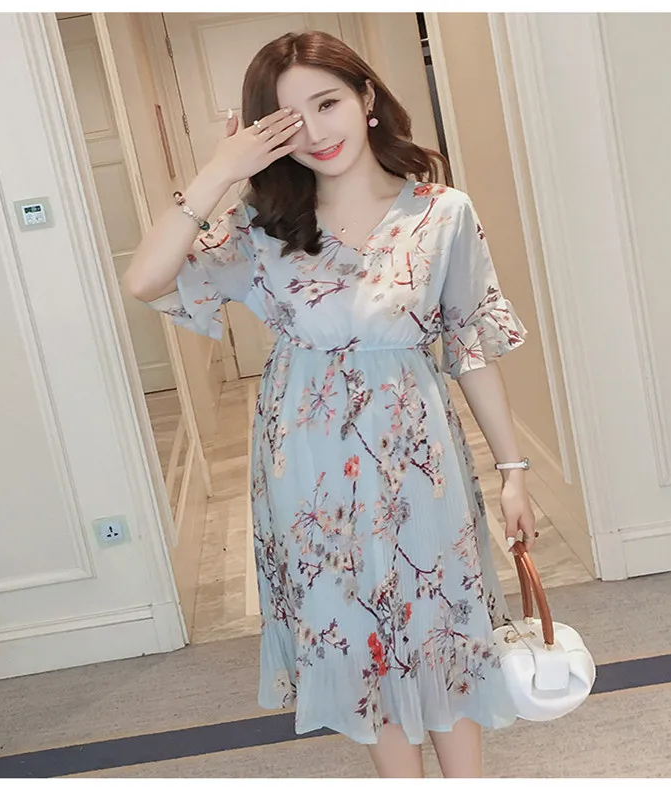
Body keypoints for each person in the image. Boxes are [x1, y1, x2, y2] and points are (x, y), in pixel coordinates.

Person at [125, 30, 537, 779]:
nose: (316, 132)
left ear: (366, 97)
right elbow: (145, 279)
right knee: (357, 636)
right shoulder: (262, 227)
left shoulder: (441, 213)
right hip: (308, 473)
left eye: (328, 103)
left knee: (440, 625)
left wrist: (513, 470)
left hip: (419, 461)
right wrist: (220, 171)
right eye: (291, 119)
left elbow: (469, 344)